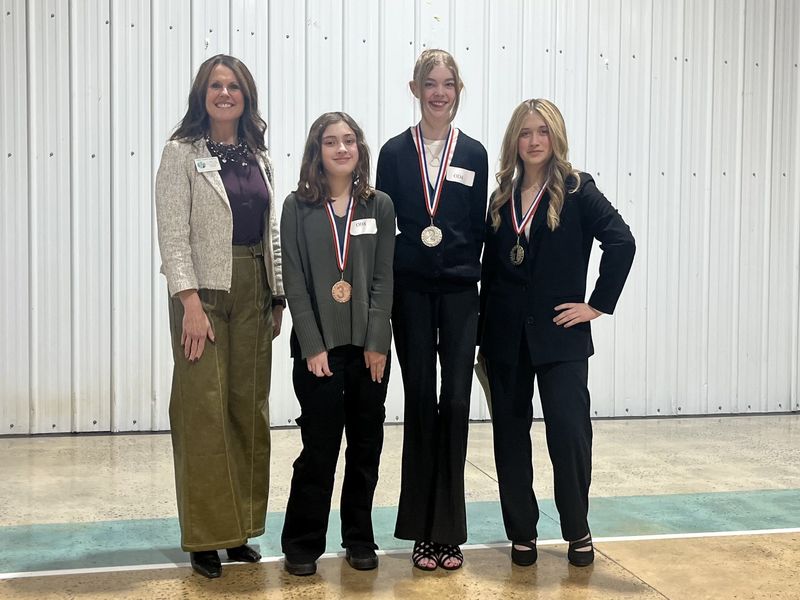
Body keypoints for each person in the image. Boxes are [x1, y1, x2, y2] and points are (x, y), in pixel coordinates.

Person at [478, 98, 635, 567]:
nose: (533, 141)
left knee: (568, 434)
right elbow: (492, 270)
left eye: (542, 131)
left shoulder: (577, 188)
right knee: (510, 437)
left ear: (556, 136)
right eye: (525, 133)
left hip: (560, 338)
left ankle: (577, 528)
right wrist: (482, 337)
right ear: (515, 140)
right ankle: (522, 530)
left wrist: (597, 305)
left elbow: (622, 241)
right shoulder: (502, 196)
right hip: (505, 337)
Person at [155, 54, 285, 579]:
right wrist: (188, 301)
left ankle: (240, 530)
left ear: (246, 96)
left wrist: (277, 298)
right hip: (204, 295)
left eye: (234, 86)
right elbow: (172, 232)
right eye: (216, 85)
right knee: (203, 413)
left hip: (254, 289)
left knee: (246, 410)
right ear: (201, 95)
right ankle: (206, 537)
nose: (225, 93)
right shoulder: (181, 153)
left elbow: (269, 230)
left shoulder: (258, 157)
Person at [376, 49, 488, 571]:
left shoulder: (477, 153)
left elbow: (479, 230)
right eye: (430, 83)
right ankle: (422, 530)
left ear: (457, 90)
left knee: (458, 402)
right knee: (421, 399)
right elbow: (383, 227)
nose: (439, 92)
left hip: (462, 293)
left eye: (447, 83)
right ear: (415, 88)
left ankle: (450, 531)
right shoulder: (394, 153)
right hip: (412, 292)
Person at [280, 112, 395, 576]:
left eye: (349, 141)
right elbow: (294, 279)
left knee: (366, 447)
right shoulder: (297, 206)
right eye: (331, 142)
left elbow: (384, 279)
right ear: (317, 151)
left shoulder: (379, 205)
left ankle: (359, 538)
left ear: (359, 150)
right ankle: (303, 543)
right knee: (319, 450)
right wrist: (311, 344)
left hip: (367, 351)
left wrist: (377, 341)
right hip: (318, 353)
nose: (342, 149)